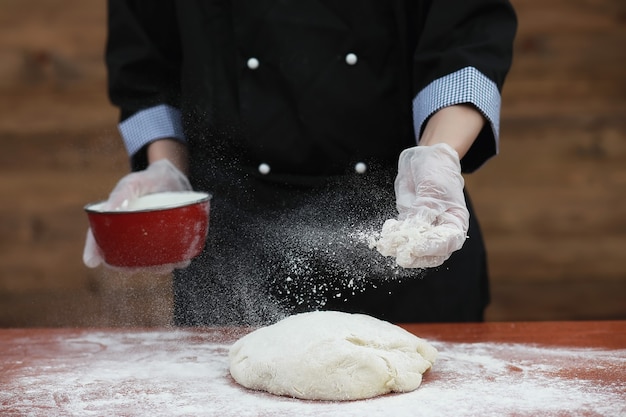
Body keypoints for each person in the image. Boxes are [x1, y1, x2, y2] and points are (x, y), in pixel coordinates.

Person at [84, 0, 517, 326]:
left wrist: (437, 156)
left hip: (407, 229)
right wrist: (167, 170)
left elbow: (468, 34)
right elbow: (143, 63)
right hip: (234, 248)